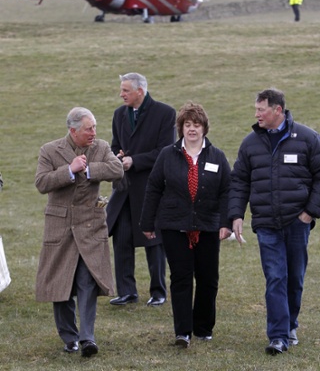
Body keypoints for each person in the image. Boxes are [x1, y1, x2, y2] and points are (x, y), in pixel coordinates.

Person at [229, 88, 320, 355]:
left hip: (297, 223)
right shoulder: (249, 143)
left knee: (295, 278)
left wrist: (309, 213)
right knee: (275, 277)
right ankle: (278, 336)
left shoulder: (307, 138)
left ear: (277, 110)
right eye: (256, 109)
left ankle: (291, 324)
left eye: (261, 109)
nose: (256, 114)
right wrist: (236, 214)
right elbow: (239, 181)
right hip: (266, 223)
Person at [140, 102, 232, 347]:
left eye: (197, 124)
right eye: (187, 124)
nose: (192, 129)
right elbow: (154, 188)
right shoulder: (167, 155)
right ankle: (182, 332)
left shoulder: (217, 156)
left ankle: (203, 327)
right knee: (181, 278)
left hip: (208, 226)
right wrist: (147, 222)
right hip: (174, 225)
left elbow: (227, 191)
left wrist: (226, 223)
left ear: (204, 128)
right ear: (180, 128)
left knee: (208, 278)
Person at [35, 107, 123, 357]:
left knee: (87, 281)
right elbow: (41, 183)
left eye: (94, 127)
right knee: (60, 285)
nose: (93, 132)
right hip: (60, 228)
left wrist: (89, 169)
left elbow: (117, 170)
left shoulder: (101, 147)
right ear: (73, 131)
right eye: (88, 128)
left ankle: (88, 338)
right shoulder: (49, 150)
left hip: (90, 227)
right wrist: (69, 170)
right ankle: (69, 337)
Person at [106, 72, 176, 306]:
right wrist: (118, 156)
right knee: (122, 238)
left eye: (125, 90)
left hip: (151, 188)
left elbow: (165, 151)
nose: (121, 94)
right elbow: (116, 145)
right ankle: (127, 291)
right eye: (121, 89)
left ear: (140, 91)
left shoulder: (165, 113)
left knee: (154, 240)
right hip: (124, 189)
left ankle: (158, 292)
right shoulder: (119, 114)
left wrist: (135, 160)